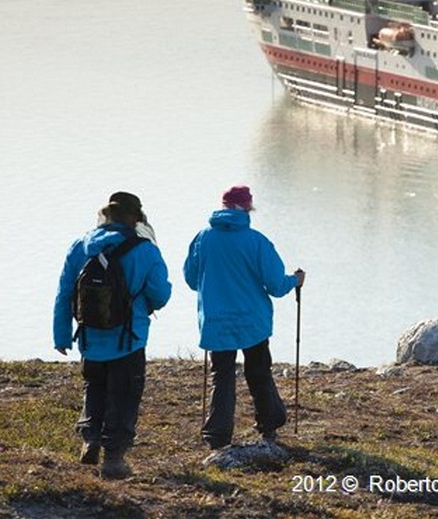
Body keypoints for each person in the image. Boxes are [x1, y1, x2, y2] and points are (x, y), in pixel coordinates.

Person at [53, 191, 172, 479]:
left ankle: (91, 438)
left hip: (90, 338)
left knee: (94, 387)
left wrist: (61, 336)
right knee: (125, 394)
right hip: (128, 339)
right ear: (134, 219)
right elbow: (160, 293)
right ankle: (114, 459)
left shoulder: (81, 247)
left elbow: (65, 293)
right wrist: (144, 302)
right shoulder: (145, 250)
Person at [183, 185, 305, 449]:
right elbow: (274, 285)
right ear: (247, 208)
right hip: (252, 321)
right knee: (258, 371)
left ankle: (217, 435)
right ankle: (269, 425)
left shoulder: (203, 238)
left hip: (216, 321)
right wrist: (294, 281)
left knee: (222, 375)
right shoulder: (257, 241)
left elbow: (192, 279)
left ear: (223, 206)